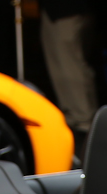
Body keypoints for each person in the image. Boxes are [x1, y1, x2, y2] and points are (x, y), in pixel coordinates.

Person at [40, 0, 97, 145]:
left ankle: (83, 118)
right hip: (54, 11)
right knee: (60, 65)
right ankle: (75, 115)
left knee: (70, 65)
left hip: (67, 10)